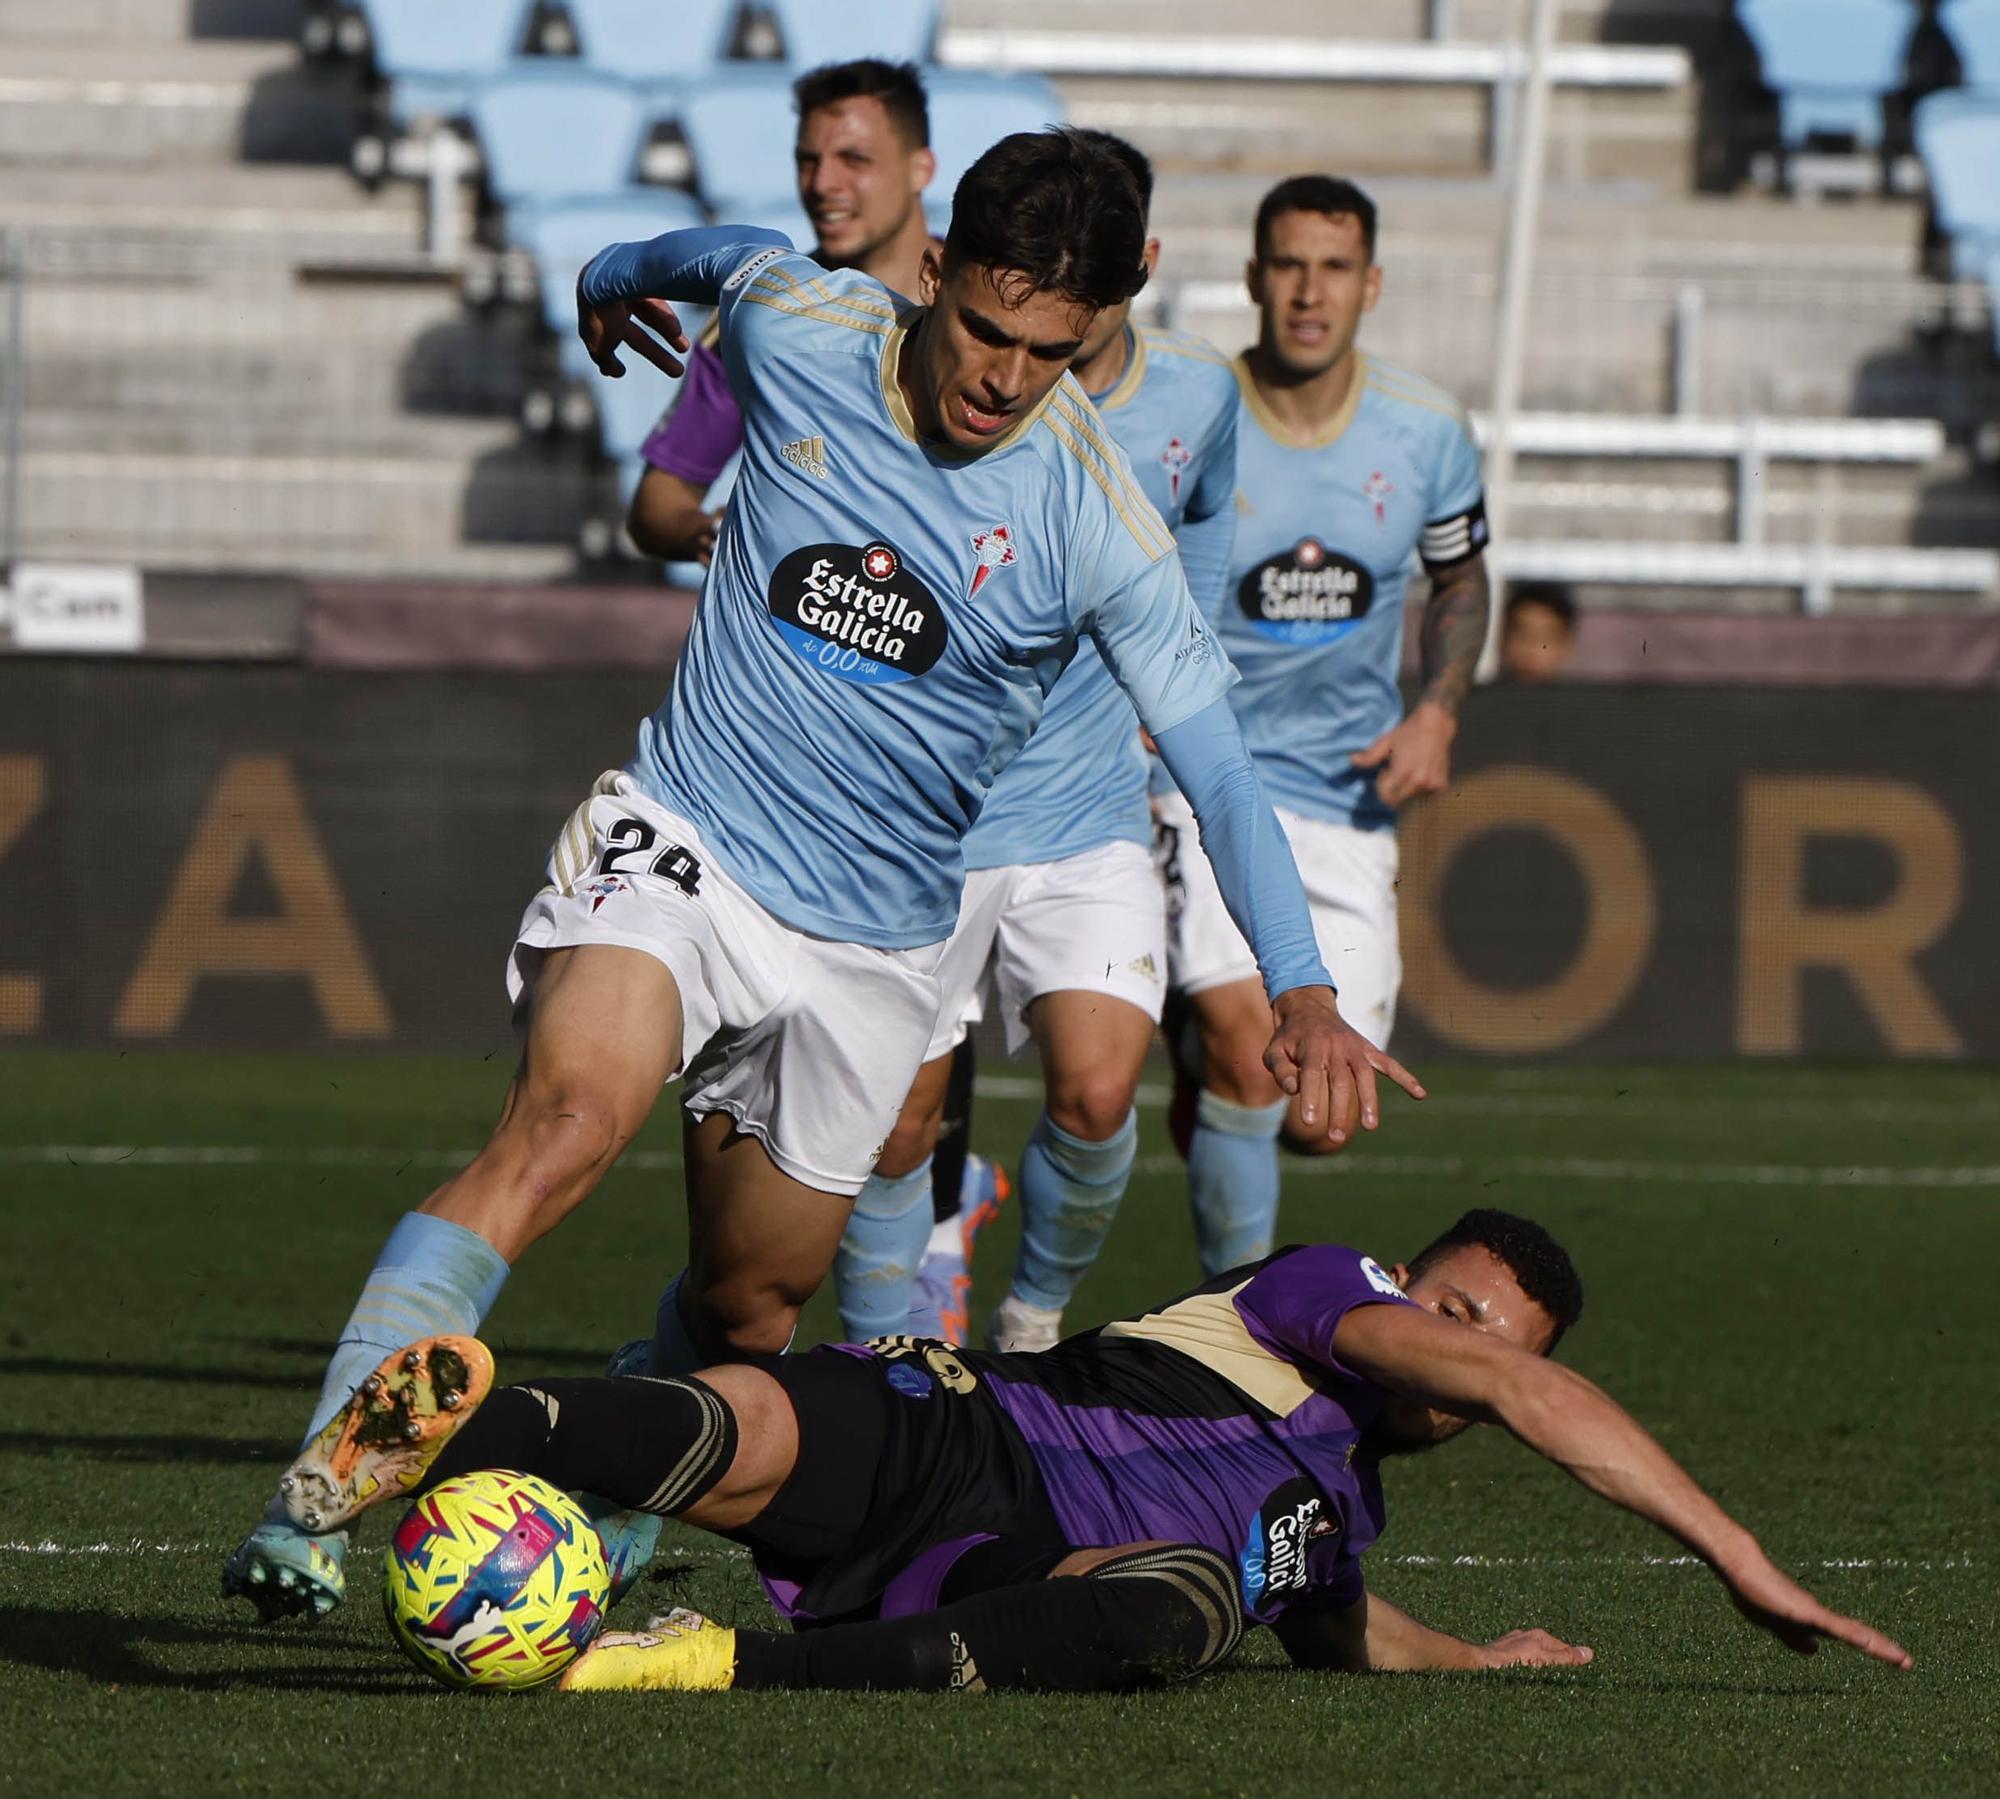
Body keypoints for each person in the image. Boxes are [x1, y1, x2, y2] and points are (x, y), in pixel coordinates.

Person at [222, 130, 1419, 1623]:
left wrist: (1301, 985)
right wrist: (606, 284)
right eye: (986, 325)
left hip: (871, 947)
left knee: (749, 1303)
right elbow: (710, 255)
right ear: (932, 272)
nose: (1002, 376)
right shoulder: (805, 329)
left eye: (1050, 351)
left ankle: (602, 1490)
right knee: (568, 1118)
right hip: (690, 837)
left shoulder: (1096, 523)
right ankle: (318, 1484)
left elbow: (1223, 769)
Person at [283, 1208, 1912, 1694]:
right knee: (750, 1411)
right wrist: (1744, 1562)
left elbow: (1342, 1627)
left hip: (1005, 1577)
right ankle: (407, 1447)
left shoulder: (1333, 1515)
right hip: (962, 1432)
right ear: (1418, 1284)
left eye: (1502, 1344)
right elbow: (1551, 1408)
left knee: (1195, 1601)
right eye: (1464, 1313)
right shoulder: (1321, 1291)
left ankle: (691, 1661)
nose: (1474, 1354)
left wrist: (1480, 1655)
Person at [838, 129, 1240, 1356]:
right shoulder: (916, 375)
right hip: (927, 825)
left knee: (1100, 1088)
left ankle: (1027, 1322)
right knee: (895, 1129)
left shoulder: (1192, 395)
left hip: (1084, 813)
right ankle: (880, 1369)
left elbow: (1208, 510)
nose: (1016, 368)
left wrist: (1179, 659)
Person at [1155, 174, 1491, 1277]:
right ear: (1253, 278)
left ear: (1370, 284)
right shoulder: (1187, 411)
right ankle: (1232, 1344)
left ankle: (1194, 1064)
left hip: (1346, 797)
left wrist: (1437, 708)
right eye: (1288, 266)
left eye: (1333, 268)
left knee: (1318, 1113)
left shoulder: (1428, 430)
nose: (1309, 292)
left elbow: (1458, 580)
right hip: (1202, 778)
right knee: (1251, 1063)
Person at [626, 58, 937, 566]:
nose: (821, 183)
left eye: (854, 159)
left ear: (920, 168)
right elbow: (657, 505)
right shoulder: (764, 310)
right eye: (807, 160)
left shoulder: (985, 307)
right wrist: (704, 533)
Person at [1498, 580, 1578, 682]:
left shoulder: (1578, 697)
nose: (1531, 650)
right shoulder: (1479, 695)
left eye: (1545, 640)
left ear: (1566, 644)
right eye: (1523, 636)